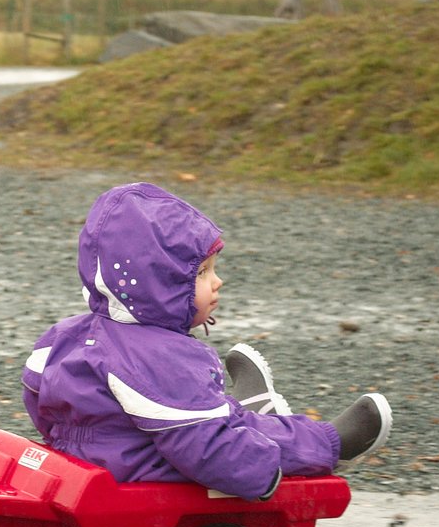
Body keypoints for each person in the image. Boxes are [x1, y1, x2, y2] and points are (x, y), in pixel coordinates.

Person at [21, 182, 391, 500]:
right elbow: (204, 447)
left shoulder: (66, 336)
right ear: (157, 285)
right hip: (151, 476)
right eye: (200, 273)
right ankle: (330, 444)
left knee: (206, 416)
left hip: (98, 464)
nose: (217, 282)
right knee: (246, 438)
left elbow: (41, 403)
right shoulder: (157, 358)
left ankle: (249, 407)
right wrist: (262, 476)